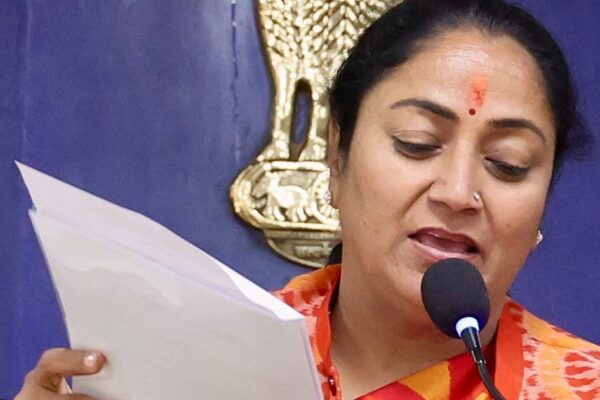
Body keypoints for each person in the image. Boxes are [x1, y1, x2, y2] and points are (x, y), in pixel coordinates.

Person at [15, 0, 600, 399]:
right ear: (336, 157)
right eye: (417, 143)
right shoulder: (197, 367)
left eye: (508, 164)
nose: (456, 192)